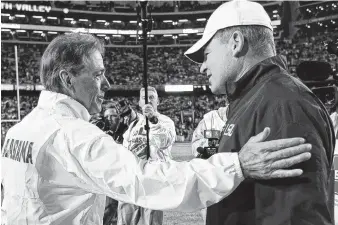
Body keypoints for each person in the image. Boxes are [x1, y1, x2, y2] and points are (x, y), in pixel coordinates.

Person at [1, 33, 313, 225]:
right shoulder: (71, 134)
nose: (106, 84)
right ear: (68, 79)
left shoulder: (20, 130)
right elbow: (144, 180)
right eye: (97, 75)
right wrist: (238, 165)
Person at [184, 1, 335, 224]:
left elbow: (296, 217)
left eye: (207, 54)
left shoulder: (282, 105)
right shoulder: (257, 99)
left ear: (236, 42)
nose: (202, 67)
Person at [117, 87, 175, 225]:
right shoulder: (134, 124)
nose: (148, 101)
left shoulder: (165, 122)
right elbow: (125, 150)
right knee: (125, 221)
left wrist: (153, 120)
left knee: (151, 222)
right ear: (139, 102)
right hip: (131, 180)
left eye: (151, 97)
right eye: (144, 98)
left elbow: (163, 142)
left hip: (153, 179)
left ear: (158, 101)